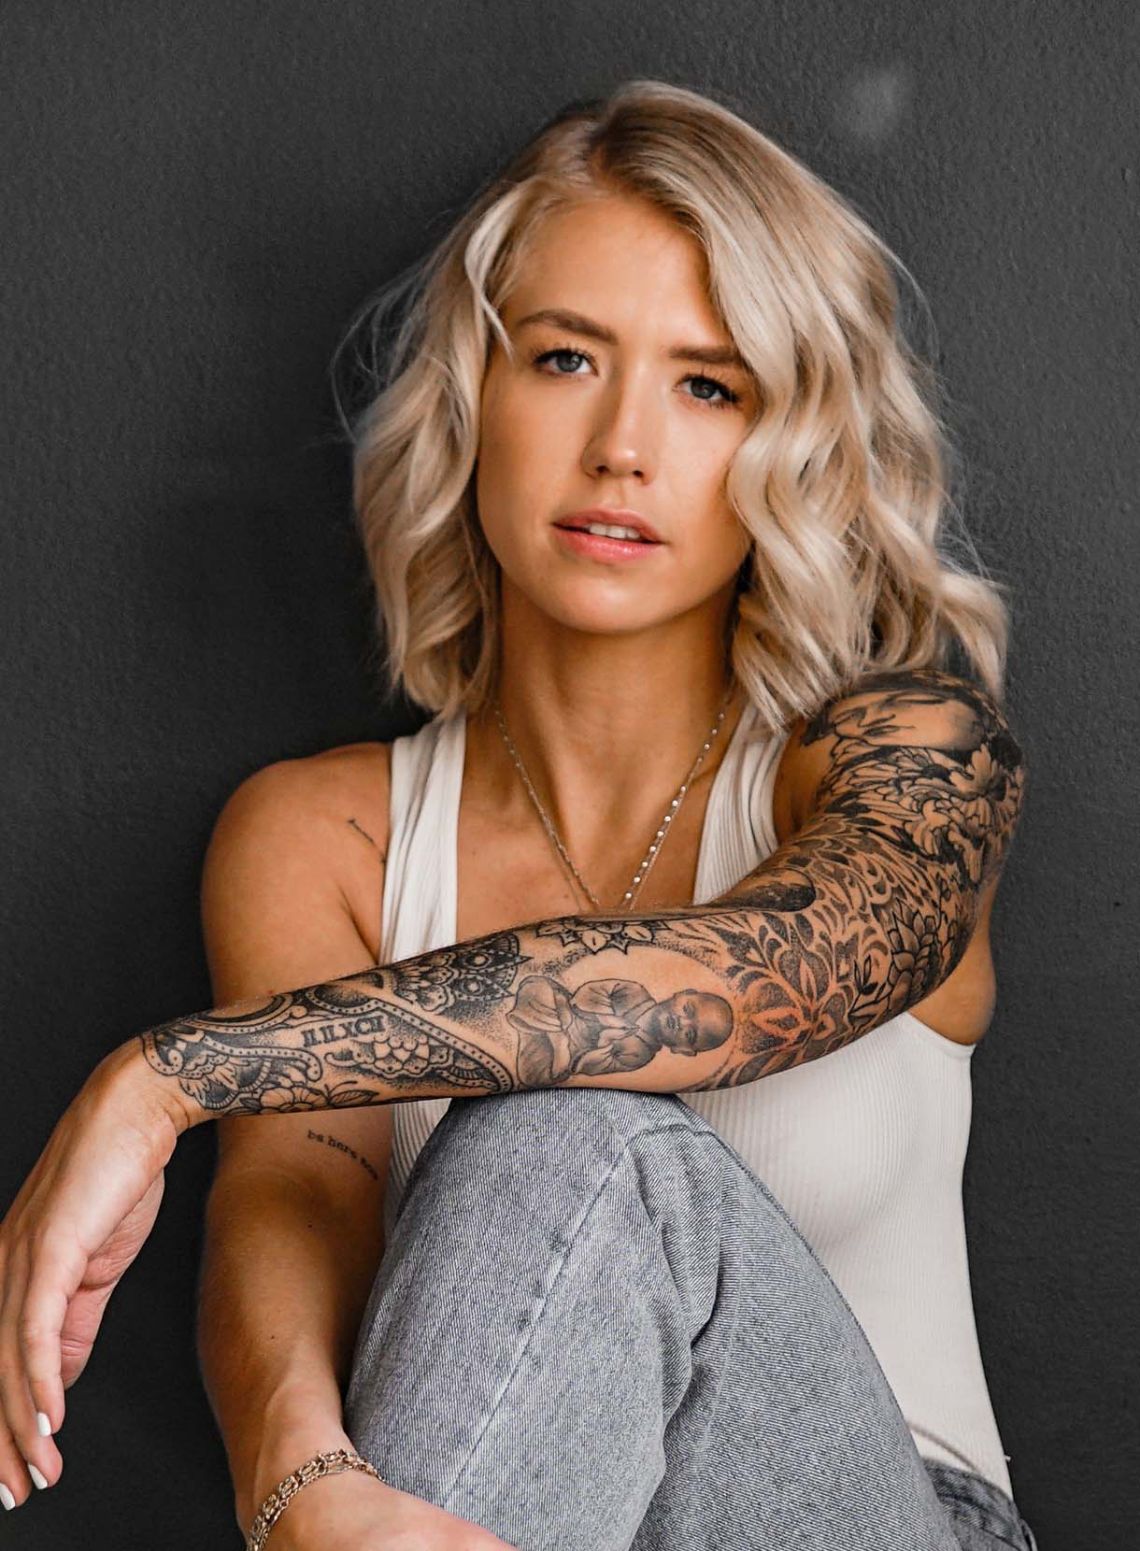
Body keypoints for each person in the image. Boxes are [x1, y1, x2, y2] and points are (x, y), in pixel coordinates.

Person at [0, 79, 1039, 1550]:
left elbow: (754, 980)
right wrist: (305, 1490)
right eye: (565, 359)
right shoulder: (323, 838)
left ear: (792, 442)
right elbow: (296, 1208)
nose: (623, 444)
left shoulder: (906, 752)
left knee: (565, 1136)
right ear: (473, 396)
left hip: (879, 1516)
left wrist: (173, 1074)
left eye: (709, 386)